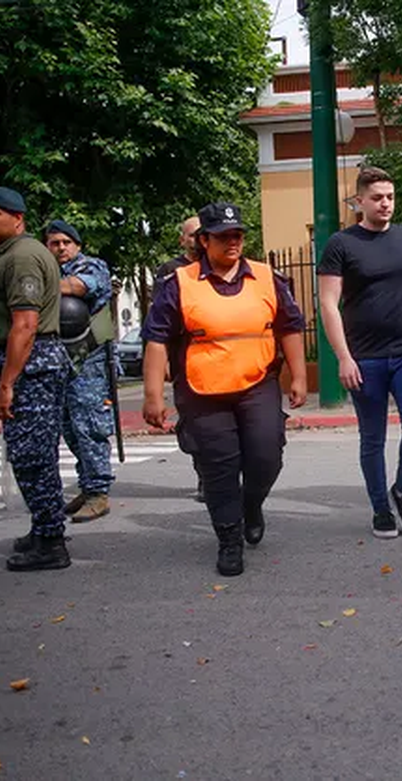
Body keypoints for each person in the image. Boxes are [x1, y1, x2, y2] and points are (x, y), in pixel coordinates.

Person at [142, 202, 308, 577]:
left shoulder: (267, 278)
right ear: (204, 241)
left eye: (237, 234)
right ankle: (229, 538)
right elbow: (156, 339)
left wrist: (297, 376)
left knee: (266, 456)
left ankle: (252, 504)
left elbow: (290, 327)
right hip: (203, 391)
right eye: (222, 236)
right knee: (219, 465)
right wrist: (153, 395)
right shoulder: (179, 283)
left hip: (257, 383)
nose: (233, 242)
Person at [317, 166, 402, 539]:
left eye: (390, 196)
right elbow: (329, 304)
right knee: (372, 437)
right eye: (377, 197)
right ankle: (380, 509)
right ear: (359, 201)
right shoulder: (342, 244)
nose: (385, 203)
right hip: (365, 358)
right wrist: (343, 356)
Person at [0, 186, 73, 572]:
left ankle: (50, 542)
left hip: (32, 367)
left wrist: (6, 384)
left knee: (32, 457)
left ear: (17, 218)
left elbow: (25, 325)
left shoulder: (22, 258)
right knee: (36, 453)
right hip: (34, 365)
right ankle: (44, 528)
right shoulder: (15, 254)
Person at [44, 219, 116, 522]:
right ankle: (87, 486)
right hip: (60, 360)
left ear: (77, 245)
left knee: (90, 427)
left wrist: (39, 285)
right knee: (69, 428)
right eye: (54, 243)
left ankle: (99, 492)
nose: (61, 248)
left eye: (66, 242)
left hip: (89, 361)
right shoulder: (51, 271)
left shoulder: (91, 267)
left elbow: (79, 288)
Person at [152, 215, 206, 502]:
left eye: (202, 233)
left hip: (217, 359)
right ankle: (205, 475)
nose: (198, 239)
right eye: (192, 234)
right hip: (184, 359)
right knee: (195, 421)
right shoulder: (170, 272)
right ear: (182, 240)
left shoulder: (219, 265)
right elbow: (161, 324)